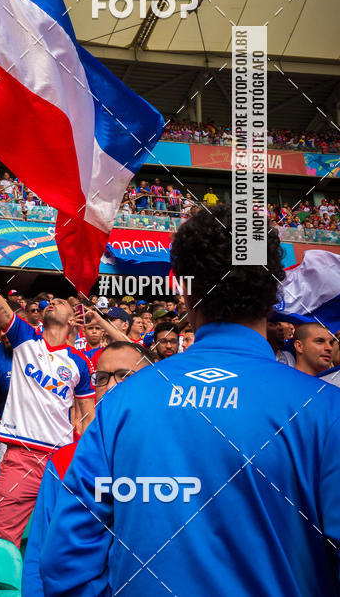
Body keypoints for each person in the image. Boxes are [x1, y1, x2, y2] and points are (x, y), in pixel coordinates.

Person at [41, 203, 340, 597]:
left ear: (182, 289)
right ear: (273, 292)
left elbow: (67, 562)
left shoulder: (122, 403)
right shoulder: (324, 409)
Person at [0, 211, 95, 547]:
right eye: (49, 300)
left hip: (64, 458)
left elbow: (87, 417)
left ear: (74, 321)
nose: (51, 302)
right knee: (3, 536)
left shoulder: (80, 363)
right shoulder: (24, 337)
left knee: (63, 538)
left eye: (60, 301)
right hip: (21, 455)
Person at [23, 342, 150, 597]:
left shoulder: (170, 457)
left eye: (124, 375)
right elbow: (40, 550)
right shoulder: (63, 460)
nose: (111, 385)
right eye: (102, 378)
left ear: (151, 384)